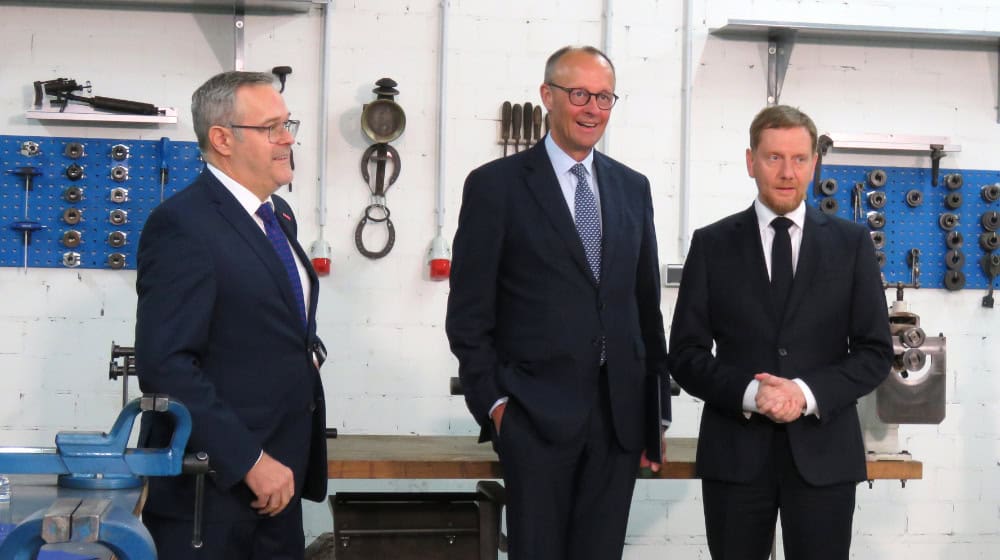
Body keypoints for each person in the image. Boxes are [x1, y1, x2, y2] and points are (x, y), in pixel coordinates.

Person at [445, 45, 670, 560]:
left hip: (618, 421)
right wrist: (496, 406)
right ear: (547, 96)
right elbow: (468, 314)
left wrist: (655, 414)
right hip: (533, 418)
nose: (593, 109)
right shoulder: (495, 186)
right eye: (580, 94)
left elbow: (645, 307)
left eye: (604, 97)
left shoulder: (632, 188)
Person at [668, 105, 893, 560]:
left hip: (824, 454)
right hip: (735, 454)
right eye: (774, 158)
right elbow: (686, 354)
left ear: (814, 164)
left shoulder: (851, 244)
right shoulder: (712, 244)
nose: (787, 172)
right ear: (751, 161)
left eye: (799, 159)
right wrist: (753, 394)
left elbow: (874, 352)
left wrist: (803, 394)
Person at [135, 71, 327, 560]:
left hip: (278, 479)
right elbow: (166, 365)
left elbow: (270, 323)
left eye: (288, 124)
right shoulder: (183, 225)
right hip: (214, 492)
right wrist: (249, 460)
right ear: (222, 139)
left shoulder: (277, 215)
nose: (288, 139)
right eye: (271, 128)